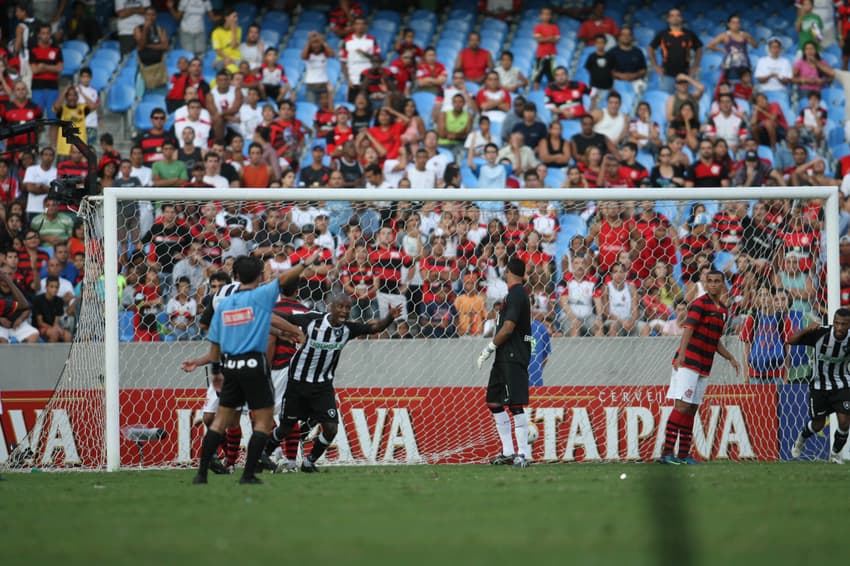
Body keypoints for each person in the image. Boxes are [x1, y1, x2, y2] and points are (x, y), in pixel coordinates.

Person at [182, 254, 313, 484]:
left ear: (236, 276)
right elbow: (284, 280)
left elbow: (216, 346)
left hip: (230, 367)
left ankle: (201, 474)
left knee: (220, 422)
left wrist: (213, 373)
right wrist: (305, 263)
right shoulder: (260, 296)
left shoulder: (224, 304)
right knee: (262, 422)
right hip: (254, 366)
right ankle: (248, 474)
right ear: (260, 276)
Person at [268, 295, 402, 472]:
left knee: (331, 428)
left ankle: (309, 462)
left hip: (322, 386)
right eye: (341, 307)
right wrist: (264, 311)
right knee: (285, 427)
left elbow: (374, 327)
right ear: (331, 307)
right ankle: (264, 453)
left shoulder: (348, 329)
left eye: (348, 308)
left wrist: (390, 316)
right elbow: (280, 316)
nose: (345, 311)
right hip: (297, 383)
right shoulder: (311, 320)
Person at [659, 269, 741, 464]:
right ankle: (666, 453)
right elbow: (689, 329)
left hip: (705, 365)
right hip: (689, 361)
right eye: (709, 281)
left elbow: (715, 340)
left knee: (692, 408)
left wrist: (730, 357)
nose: (713, 284)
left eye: (716, 281)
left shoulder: (723, 310)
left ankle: (684, 454)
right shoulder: (698, 304)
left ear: (722, 285)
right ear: (705, 283)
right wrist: (682, 354)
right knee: (682, 405)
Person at [476, 257, 533, 468]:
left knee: (515, 405)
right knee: (493, 402)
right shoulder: (512, 296)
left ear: (509, 272)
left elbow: (508, 328)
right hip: (503, 358)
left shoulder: (517, 295)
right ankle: (508, 451)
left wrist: (489, 348)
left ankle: (523, 454)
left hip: (512, 357)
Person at [789, 308, 850, 463]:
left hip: (841, 384)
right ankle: (801, 439)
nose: (840, 327)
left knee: (844, 421)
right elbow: (791, 340)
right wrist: (806, 329)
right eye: (837, 323)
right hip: (819, 386)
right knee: (818, 424)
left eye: (844, 324)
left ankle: (835, 454)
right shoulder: (820, 333)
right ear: (833, 323)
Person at [647, 8, 703, 93]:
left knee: (685, 103)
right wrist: (655, 66)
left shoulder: (689, 34)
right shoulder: (662, 34)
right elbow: (650, 48)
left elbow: (699, 48)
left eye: (678, 15)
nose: (675, 18)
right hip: (667, 74)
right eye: (672, 15)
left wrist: (695, 66)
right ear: (668, 19)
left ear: (681, 18)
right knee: (667, 101)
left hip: (685, 74)